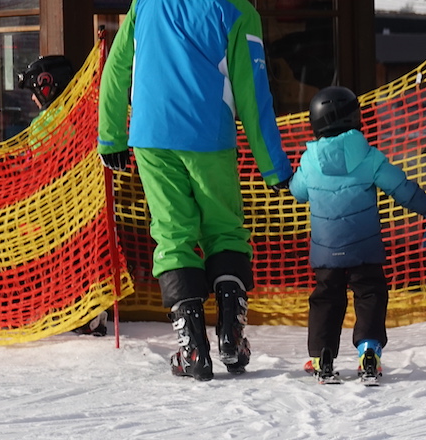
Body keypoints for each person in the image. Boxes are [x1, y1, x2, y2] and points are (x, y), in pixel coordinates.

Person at [97, 0, 294, 381]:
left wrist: (112, 138)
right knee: (224, 230)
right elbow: (254, 95)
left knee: (173, 233)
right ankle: (231, 337)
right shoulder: (238, 10)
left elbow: (117, 68)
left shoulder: (146, 4)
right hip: (209, 135)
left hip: (151, 135)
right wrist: (274, 167)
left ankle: (193, 351)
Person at [288, 86, 426, 385]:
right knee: (370, 294)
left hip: (325, 251)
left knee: (326, 298)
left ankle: (322, 356)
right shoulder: (368, 156)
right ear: (355, 118)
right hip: (364, 248)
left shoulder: (309, 160)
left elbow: (298, 192)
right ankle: (368, 350)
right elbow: (402, 188)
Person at [18, 55, 109, 338]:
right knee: (84, 256)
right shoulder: (84, 111)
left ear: (47, 87)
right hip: (85, 202)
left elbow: (37, 165)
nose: (33, 100)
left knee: (63, 260)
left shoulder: (46, 123)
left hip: (57, 206)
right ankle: (92, 311)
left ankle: (78, 313)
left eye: (35, 93)